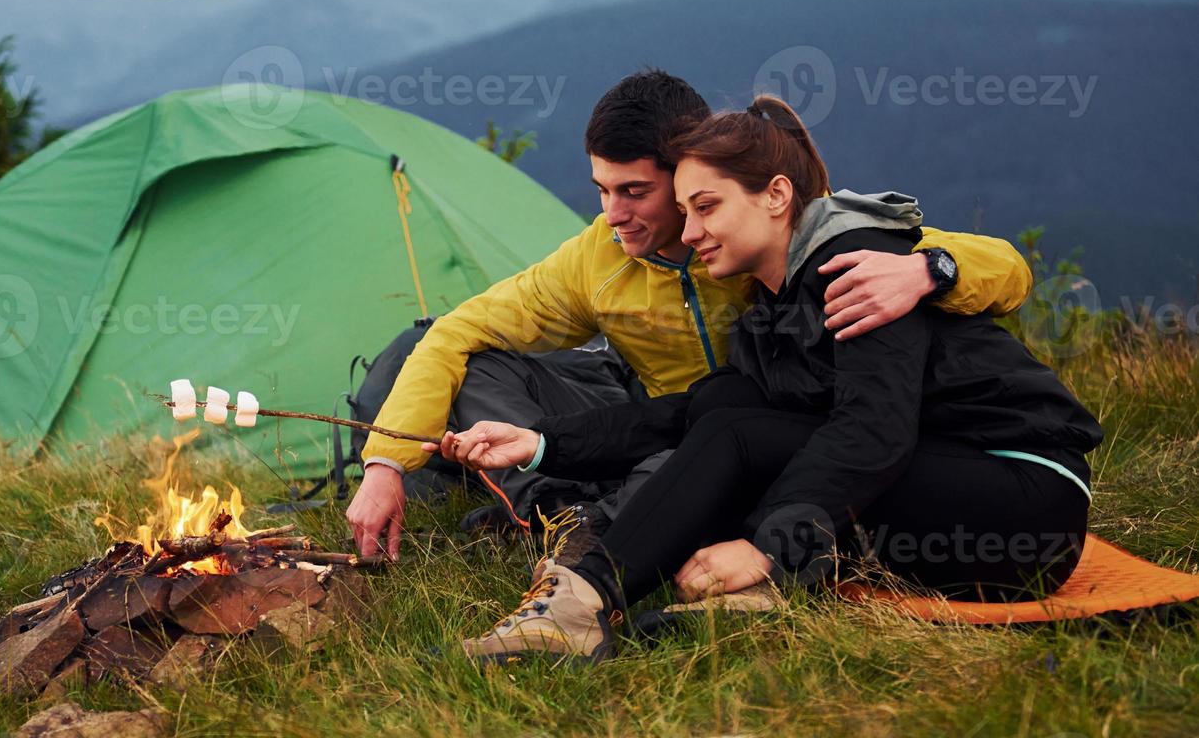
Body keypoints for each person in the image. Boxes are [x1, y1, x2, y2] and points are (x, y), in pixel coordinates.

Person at [436, 97, 1102, 663]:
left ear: (776, 195)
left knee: (743, 435)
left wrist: (763, 546)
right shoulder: (773, 308)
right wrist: (540, 442)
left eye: (706, 208)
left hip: (1025, 504)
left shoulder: (856, 267)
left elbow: (876, 431)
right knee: (728, 412)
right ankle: (630, 602)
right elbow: (691, 414)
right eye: (686, 212)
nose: (691, 232)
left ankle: (593, 604)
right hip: (943, 495)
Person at [348, 70, 1036, 560]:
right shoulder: (597, 257)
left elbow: (1007, 267)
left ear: (689, 177)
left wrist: (927, 270)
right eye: (602, 190)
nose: (613, 214)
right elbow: (462, 328)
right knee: (467, 356)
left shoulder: (766, 234)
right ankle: (554, 513)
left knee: (697, 465)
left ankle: (601, 520)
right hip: (648, 414)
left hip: (735, 438)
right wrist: (384, 464)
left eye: (635, 191)